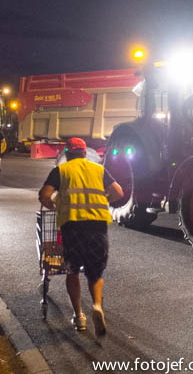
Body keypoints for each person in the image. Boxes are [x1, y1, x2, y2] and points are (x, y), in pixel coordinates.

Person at [38, 137, 123, 338]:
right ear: (85, 153)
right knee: (96, 272)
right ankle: (97, 306)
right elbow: (118, 192)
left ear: (67, 154)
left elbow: (44, 195)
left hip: (72, 227)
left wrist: (55, 206)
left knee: (73, 270)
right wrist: (104, 200)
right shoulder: (99, 170)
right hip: (97, 227)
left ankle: (78, 316)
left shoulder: (61, 171)